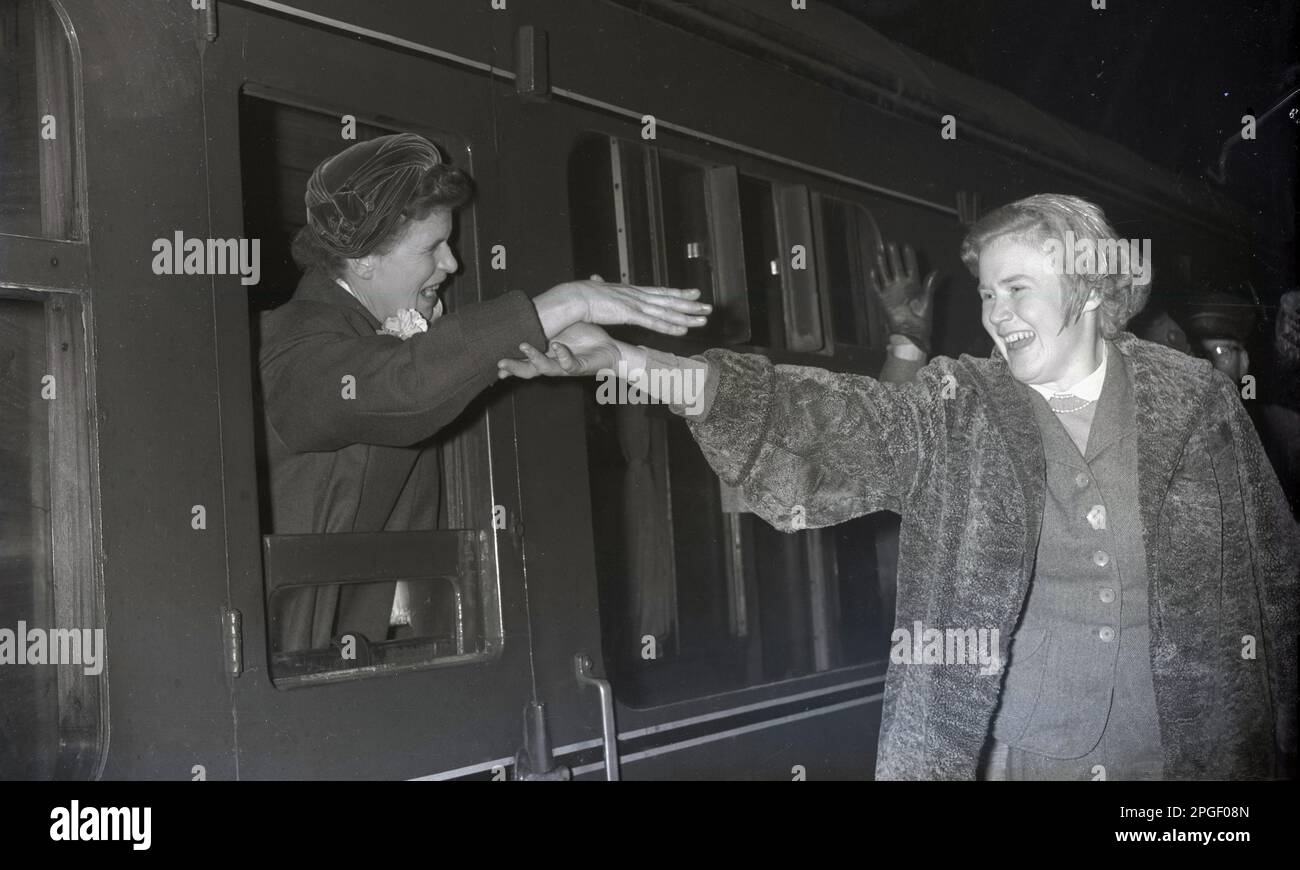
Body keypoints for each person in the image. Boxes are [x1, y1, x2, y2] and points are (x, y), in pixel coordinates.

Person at [501, 193, 1298, 780]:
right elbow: (834, 424)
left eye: (1017, 289)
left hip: (1194, 766)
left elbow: (1276, 587)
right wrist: (636, 366)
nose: (995, 314)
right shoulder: (967, 403)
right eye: (987, 293)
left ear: (1090, 289)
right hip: (1024, 759)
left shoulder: (1195, 403)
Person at [258, 133, 710, 655]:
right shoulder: (291, 339)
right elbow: (404, 388)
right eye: (431, 248)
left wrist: (602, 352)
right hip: (306, 656)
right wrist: (567, 302)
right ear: (362, 259)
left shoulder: (380, 329)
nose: (452, 265)